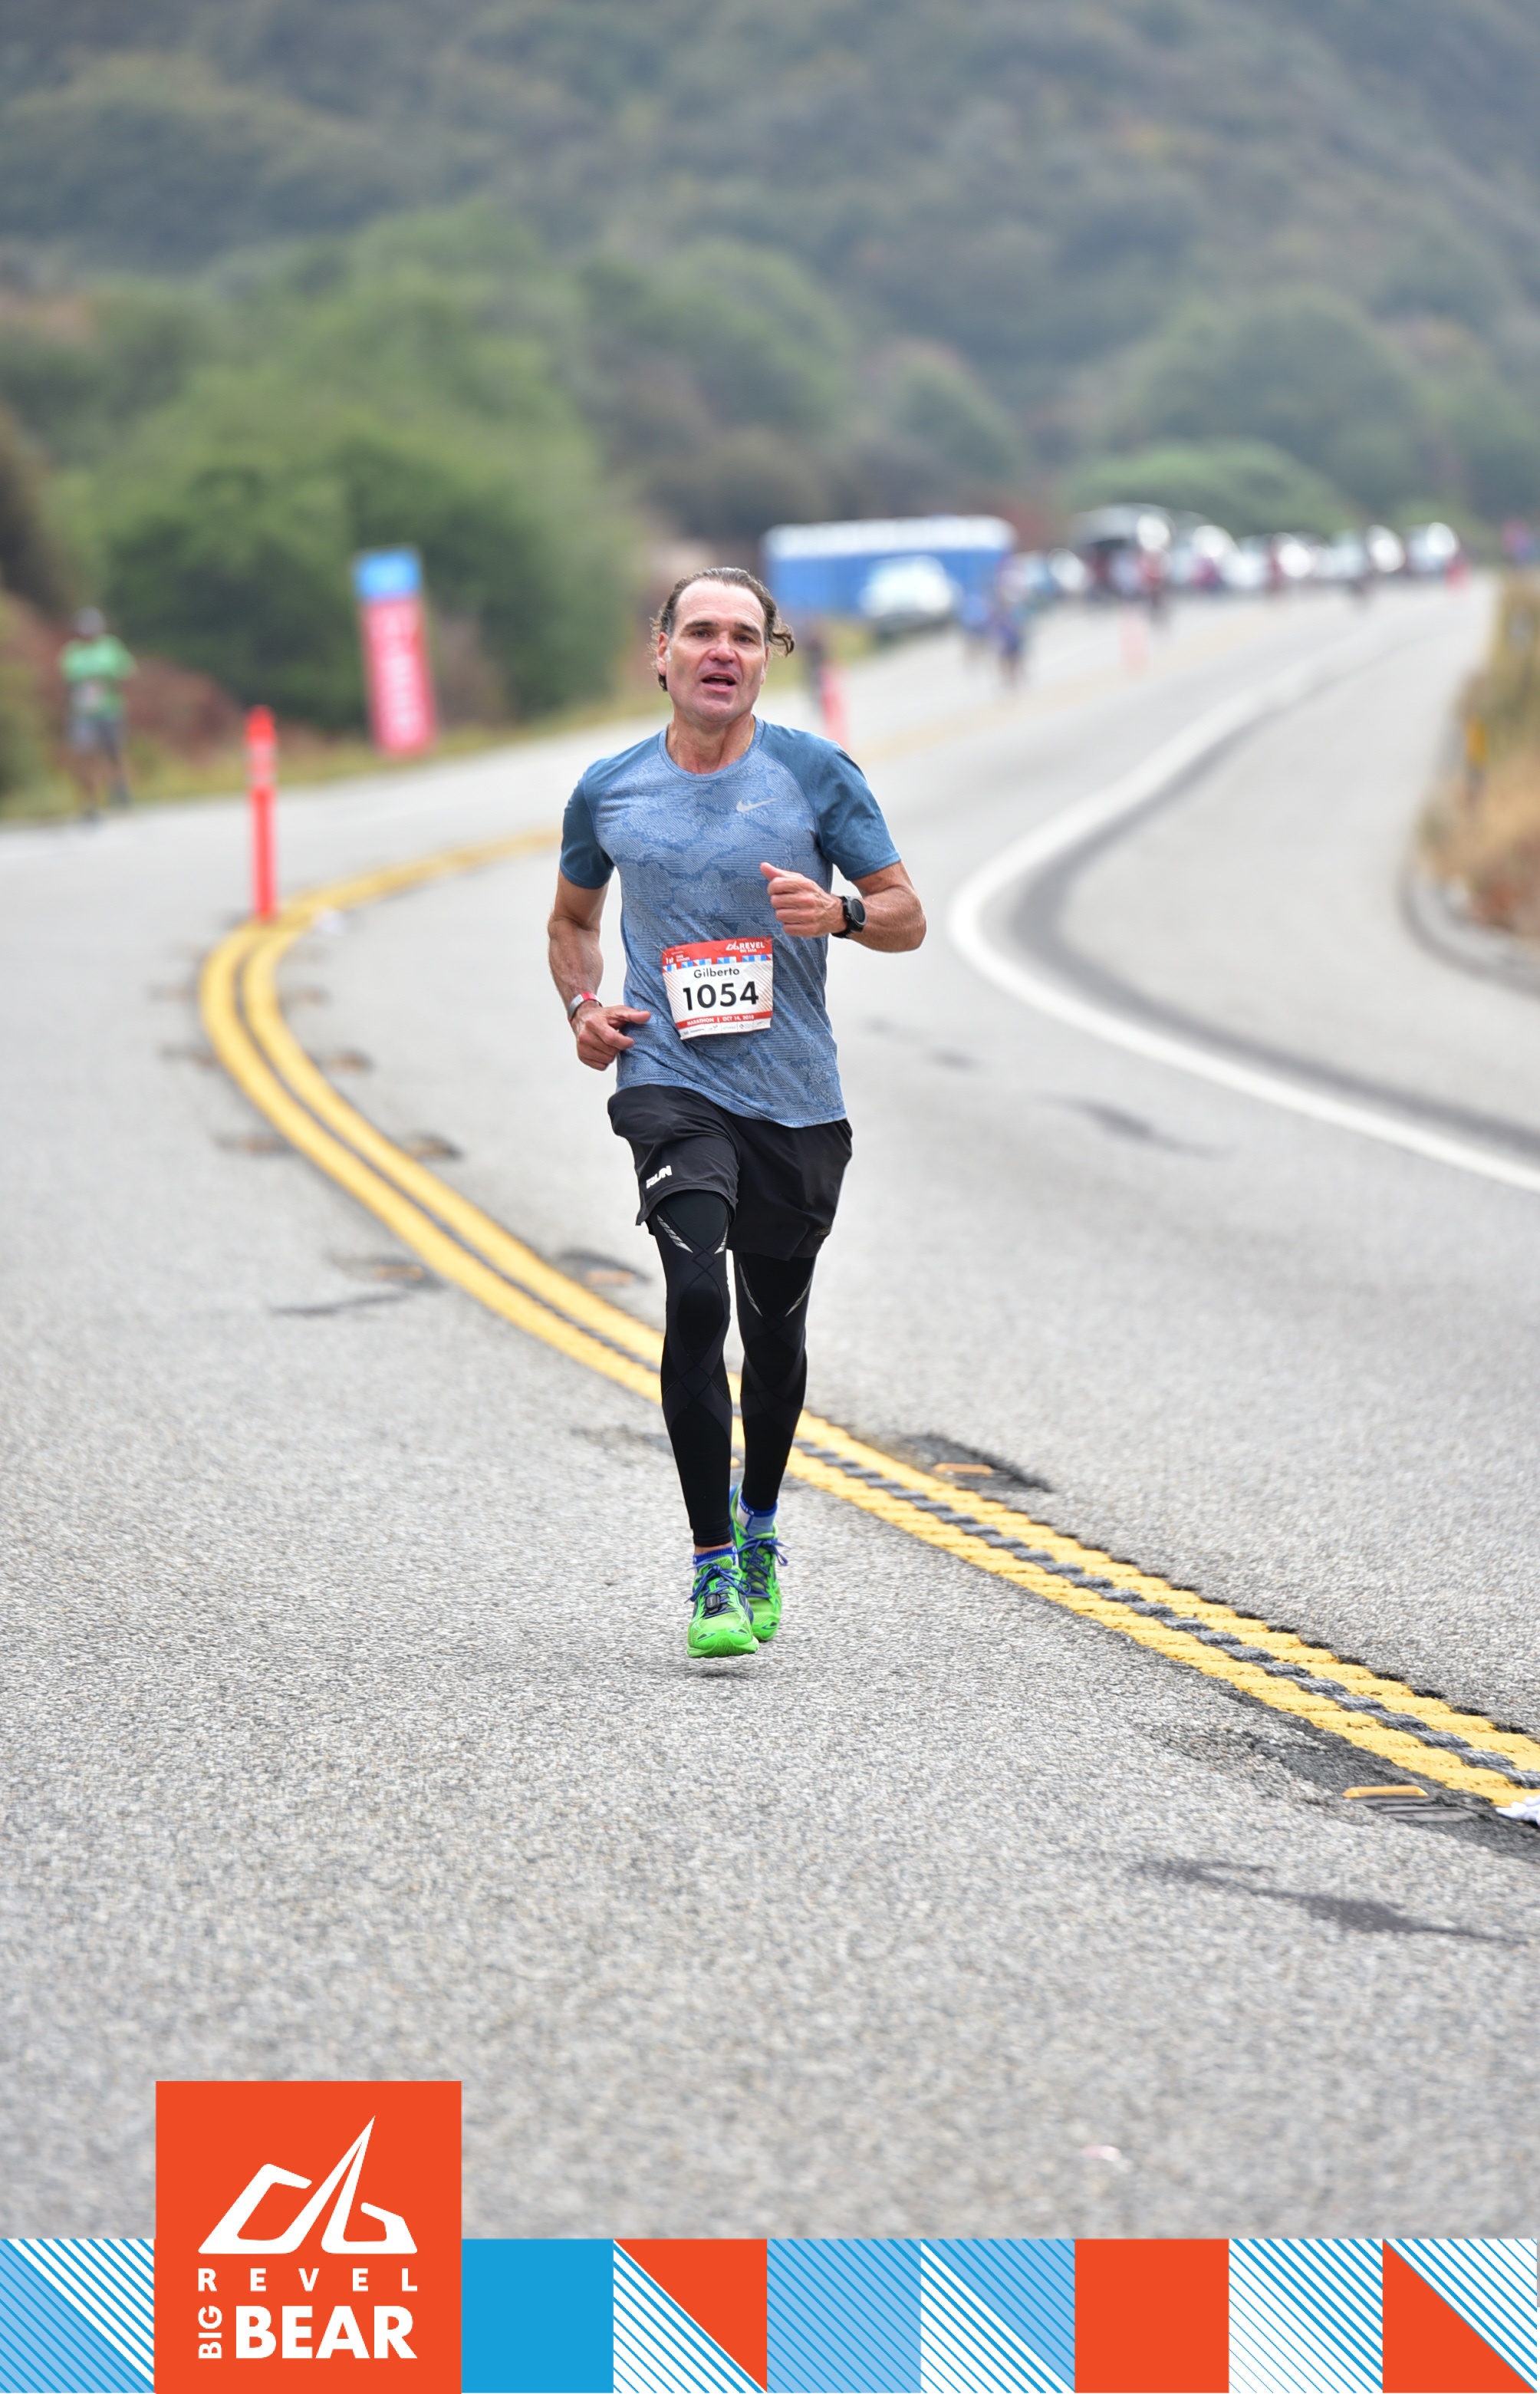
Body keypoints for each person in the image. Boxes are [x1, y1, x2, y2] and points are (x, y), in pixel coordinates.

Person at [548, 568, 925, 1658]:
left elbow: (907, 915)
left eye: (746, 637)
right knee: (695, 1292)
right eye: (702, 632)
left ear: (769, 658)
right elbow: (571, 921)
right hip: (669, 1080)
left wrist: (842, 912)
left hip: (794, 1099)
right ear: (660, 651)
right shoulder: (609, 790)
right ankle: (712, 1568)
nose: (723, 651)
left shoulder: (814, 774)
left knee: (775, 1330)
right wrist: (583, 1007)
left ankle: (759, 1523)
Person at [59, 608, 135, 817]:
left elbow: (126, 671)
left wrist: (106, 676)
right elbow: (67, 680)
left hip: (109, 709)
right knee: (85, 755)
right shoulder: (73, 652)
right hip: (83, 713)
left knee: (114, 751)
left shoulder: (111, 647)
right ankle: (90, 801)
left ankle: (120, 788)